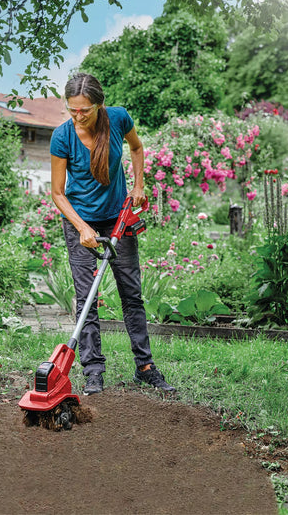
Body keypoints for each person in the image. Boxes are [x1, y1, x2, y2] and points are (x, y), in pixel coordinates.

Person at [50, 72, 175, 395]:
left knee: (131, 293)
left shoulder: (118, 119)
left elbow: (137, 147)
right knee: (86, 298)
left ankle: (145, 366)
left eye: (85, 110)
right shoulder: (62, 136)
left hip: (120, 219)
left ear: (99, 105)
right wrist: (82, 227)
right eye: (72, 109)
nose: (78, 116)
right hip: (80, 223)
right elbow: (58, 193)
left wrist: (138, 185)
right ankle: (93, 371)